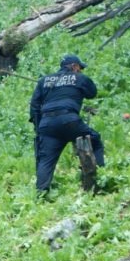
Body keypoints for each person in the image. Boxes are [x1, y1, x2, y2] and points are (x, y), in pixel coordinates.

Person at [30, 54, 104, 194]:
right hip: (69, 120)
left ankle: (41, 193)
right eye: (80, 68)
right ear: (74, 66)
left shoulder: (44, 80)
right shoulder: (80, 78)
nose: (80, 71)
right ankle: (99, 177)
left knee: (46, 160)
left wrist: (39, 128)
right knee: (94, 140)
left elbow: (34, 106)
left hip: (47, 124)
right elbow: (91, 93)